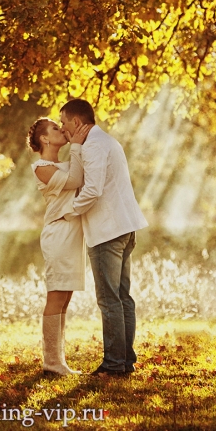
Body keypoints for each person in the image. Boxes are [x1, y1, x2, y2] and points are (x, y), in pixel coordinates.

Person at [60, 98, 148, 377]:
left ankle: (113, 366)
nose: (62, 130)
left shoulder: (94, 145)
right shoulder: (107, 141)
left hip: (108, 231)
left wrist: (68, 211)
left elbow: (93, 190)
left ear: (76, 122)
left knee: (110, 299)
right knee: (122, 297)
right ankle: (125, 362)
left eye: (64, 123)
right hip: (124, 227)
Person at [27, 117, 92, 375]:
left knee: (66, 297)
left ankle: (59, 362)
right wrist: (76, 145)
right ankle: (51, 362)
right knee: (56, 295)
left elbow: (82, 176)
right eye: (55, 128)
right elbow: (76, 181)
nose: (61, 130)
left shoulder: (64, 163)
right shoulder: (41, 167)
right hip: (58, 233)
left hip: (74, 234)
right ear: (44, 138)